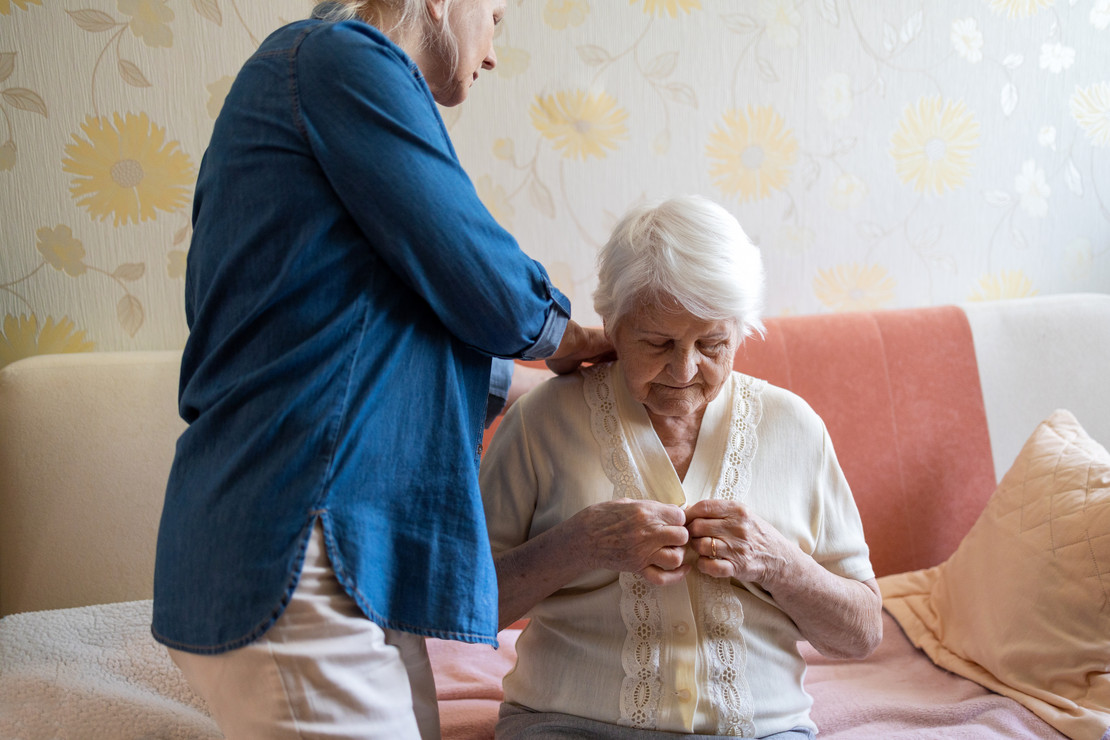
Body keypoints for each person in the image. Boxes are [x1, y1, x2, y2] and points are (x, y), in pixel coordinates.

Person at [151, 1, 609, 738]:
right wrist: (568, 335)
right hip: (297, 551)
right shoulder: (338, 58)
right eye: (494, 17)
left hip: (328, 560)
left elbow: (363, 337)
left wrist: (563, 385)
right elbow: (474, 268)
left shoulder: (307, 87)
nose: (492, 53)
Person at [480, 195, 883, 740]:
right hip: (568, 724)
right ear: (612, 326)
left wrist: (776, 562)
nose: (685, 367)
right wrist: (580, 544)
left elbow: (861, 633)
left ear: (741, 332)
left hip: (762, 731)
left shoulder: (795, 427)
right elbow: (466, 607)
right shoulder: (540, 420)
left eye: (713, 343)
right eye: (657, 342)